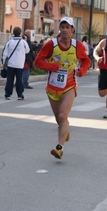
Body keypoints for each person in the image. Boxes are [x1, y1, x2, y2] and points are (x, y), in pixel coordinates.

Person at [34, 17, 90, 159]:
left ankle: (59, 148)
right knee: (59, 119)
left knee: (62, 115)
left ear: (72, 30)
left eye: (67, 27)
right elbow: (38, 61)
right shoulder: (51, 45)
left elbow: (86, 61)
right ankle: (65, 131)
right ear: (59, 29)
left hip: (69, 86)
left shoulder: (77, 46)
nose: (64, 30)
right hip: (52, 87)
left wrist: (82, 71)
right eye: (62, 27)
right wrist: (52, 66)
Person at [2, 26, 30, 100]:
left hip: (11, 64)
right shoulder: (23, 42)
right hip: (19, 64)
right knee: (19, 80)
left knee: (9, 79)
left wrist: (4, 64)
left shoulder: (9, 42)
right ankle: (20, 94)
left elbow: (5, 54)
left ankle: (7, 94)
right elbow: (27, 51)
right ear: (20, 33)